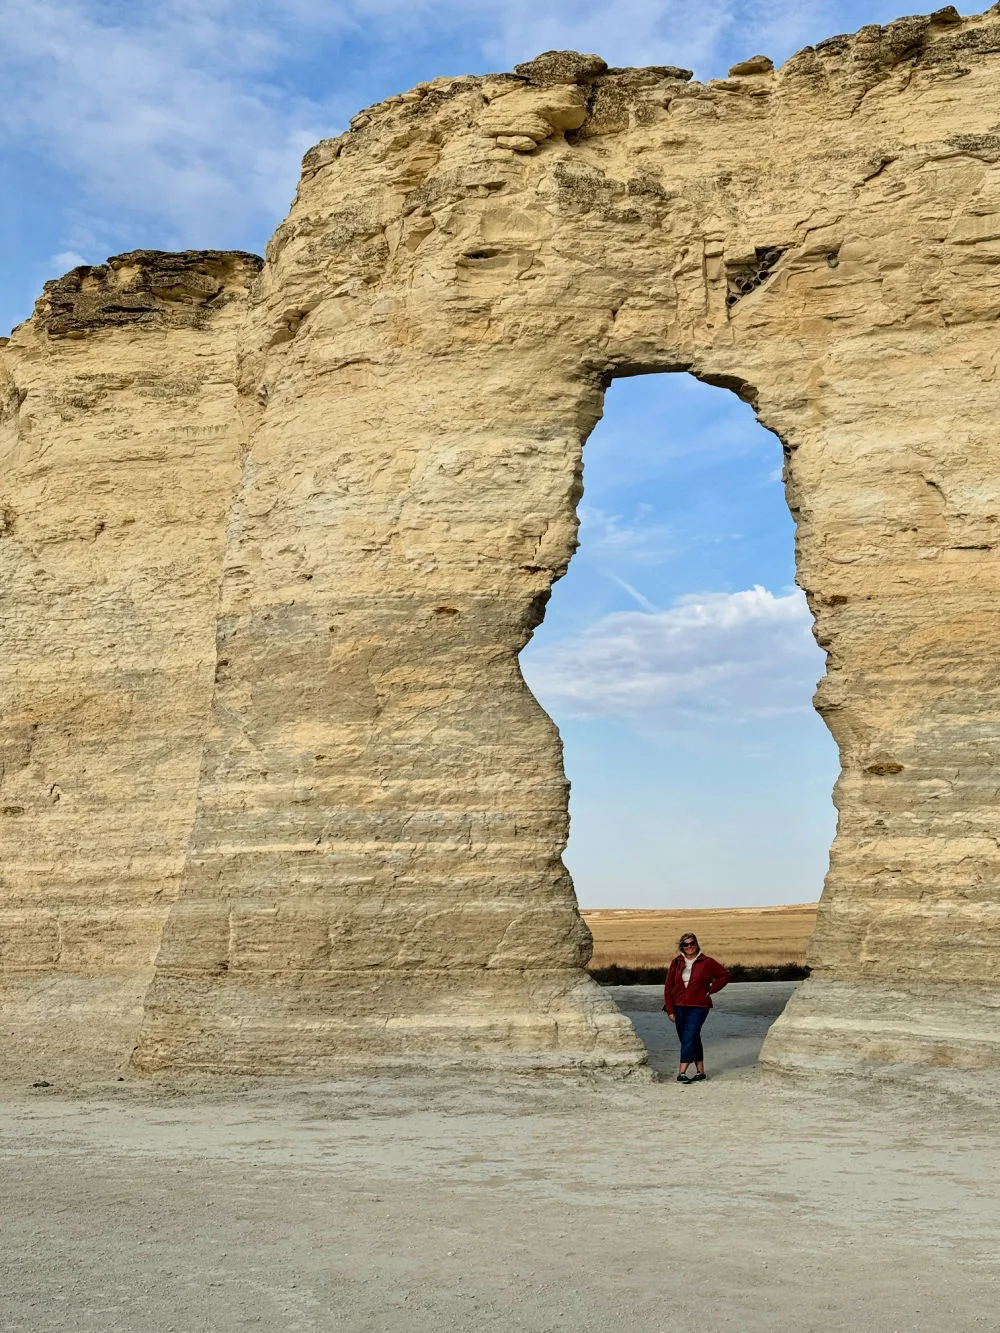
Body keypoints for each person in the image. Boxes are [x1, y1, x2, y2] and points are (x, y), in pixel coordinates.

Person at [663, 933, 731, 1083]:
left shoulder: (707, 962)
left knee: (689, 1036)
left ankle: (681, 1072)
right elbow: (668, 987)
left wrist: (711, 989)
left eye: (692, 943)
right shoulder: (676, 962)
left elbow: (725, 975)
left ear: (697, 943)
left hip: (699, 1006)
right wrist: (670, 1010)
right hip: (679, 1006)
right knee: (691, 1038)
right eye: (686, 944)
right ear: (682, 947)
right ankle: (701, 1072)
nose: (689, 947)